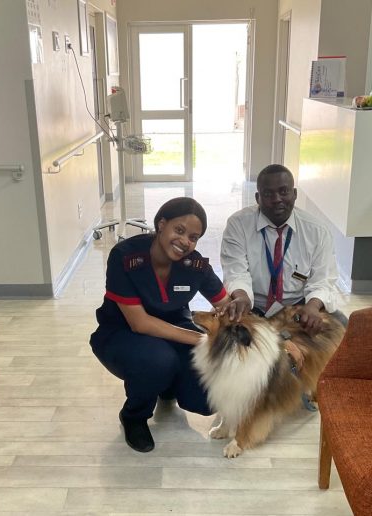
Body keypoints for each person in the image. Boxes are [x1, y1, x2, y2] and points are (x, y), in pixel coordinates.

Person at [90, 197, 229, 453]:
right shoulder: (125, 257)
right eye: (179, 230)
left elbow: (227, 305)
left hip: (174, 331)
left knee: (207, 399)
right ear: (161, 224)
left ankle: (165, 387)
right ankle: (134, 416)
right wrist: (203, 339)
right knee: (158, 360)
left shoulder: (194, 265)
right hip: (121, 334)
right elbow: (140, 324)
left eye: (194, 237)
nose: (185, 242)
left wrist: (270, 337)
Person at [220, 164, 346, 364]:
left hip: (299, 308)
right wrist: (241, 297)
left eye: (284, 191)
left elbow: (323, 280)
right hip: (254, 307)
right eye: (268, 193)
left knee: (341, 325)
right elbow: (236, 272)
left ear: (294, 194)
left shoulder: (316, 230)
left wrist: (313, 306)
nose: (277, 199)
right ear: (257, 198)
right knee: (229, 346)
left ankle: (319, 384)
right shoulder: (238, 225)